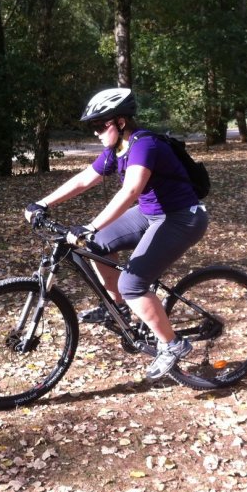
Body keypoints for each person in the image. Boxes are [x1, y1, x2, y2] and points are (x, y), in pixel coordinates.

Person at [24, 88, 209, 380]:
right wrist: (44, 203)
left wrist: (91, 225)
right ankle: (119, 309)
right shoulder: (116, 150)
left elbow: (131, 190)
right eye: (93, 127)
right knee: (95, 245)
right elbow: (86, 178)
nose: (96, 133)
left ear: (120, 122)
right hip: (151, 215)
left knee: (132, 283)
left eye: (100, 126)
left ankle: (173, 345)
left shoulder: (144, 144)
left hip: (182, 218)